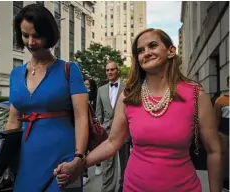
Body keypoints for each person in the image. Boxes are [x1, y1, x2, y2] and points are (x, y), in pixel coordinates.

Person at [56, 28, 222, 192]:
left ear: (171, 51)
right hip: (135, 187)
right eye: (140, 50)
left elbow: (214, 151)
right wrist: (79, 164)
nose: (146, 53)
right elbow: (112, 142)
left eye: (153, 46)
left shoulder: (195, 94)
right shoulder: (128, 97)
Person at [5, 4, 88, 192]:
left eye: (37, 35)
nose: (31, 42)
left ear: (49, 34)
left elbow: (81, 116)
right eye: (25, 35)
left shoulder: (69, 69)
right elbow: (12, 122)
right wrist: (5, 160)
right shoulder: (15, 73)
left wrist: (79, 158)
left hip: (64, 157)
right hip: (27, 160)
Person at [96, 60, 130, 192]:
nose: (109, 72)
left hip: (124, 133)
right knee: (107, 165)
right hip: (106, 133)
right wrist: (100, 132)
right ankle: (107, 189)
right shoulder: (101, 90)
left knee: (124, 163)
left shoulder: (128, 88)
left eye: (112, 69)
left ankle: (123, 188)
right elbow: (99, 113)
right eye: (107, 70)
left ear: (118, 70)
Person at [83, 77, 102, 185]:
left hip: (93, 123)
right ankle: (85, 174)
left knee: (95, 146)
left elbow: (97, 111)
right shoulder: (80, 95)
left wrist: (96, 123)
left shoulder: (95, 96)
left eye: (88, 85)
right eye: (84, 84)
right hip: (83, 124)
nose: (86, 87)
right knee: (83, 149)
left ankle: (98, 164)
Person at [214, 76, 229, 190]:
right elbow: (216, 119)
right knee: (225, 159)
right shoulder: (221, 100)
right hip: (225, 134)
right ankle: (224, 183)